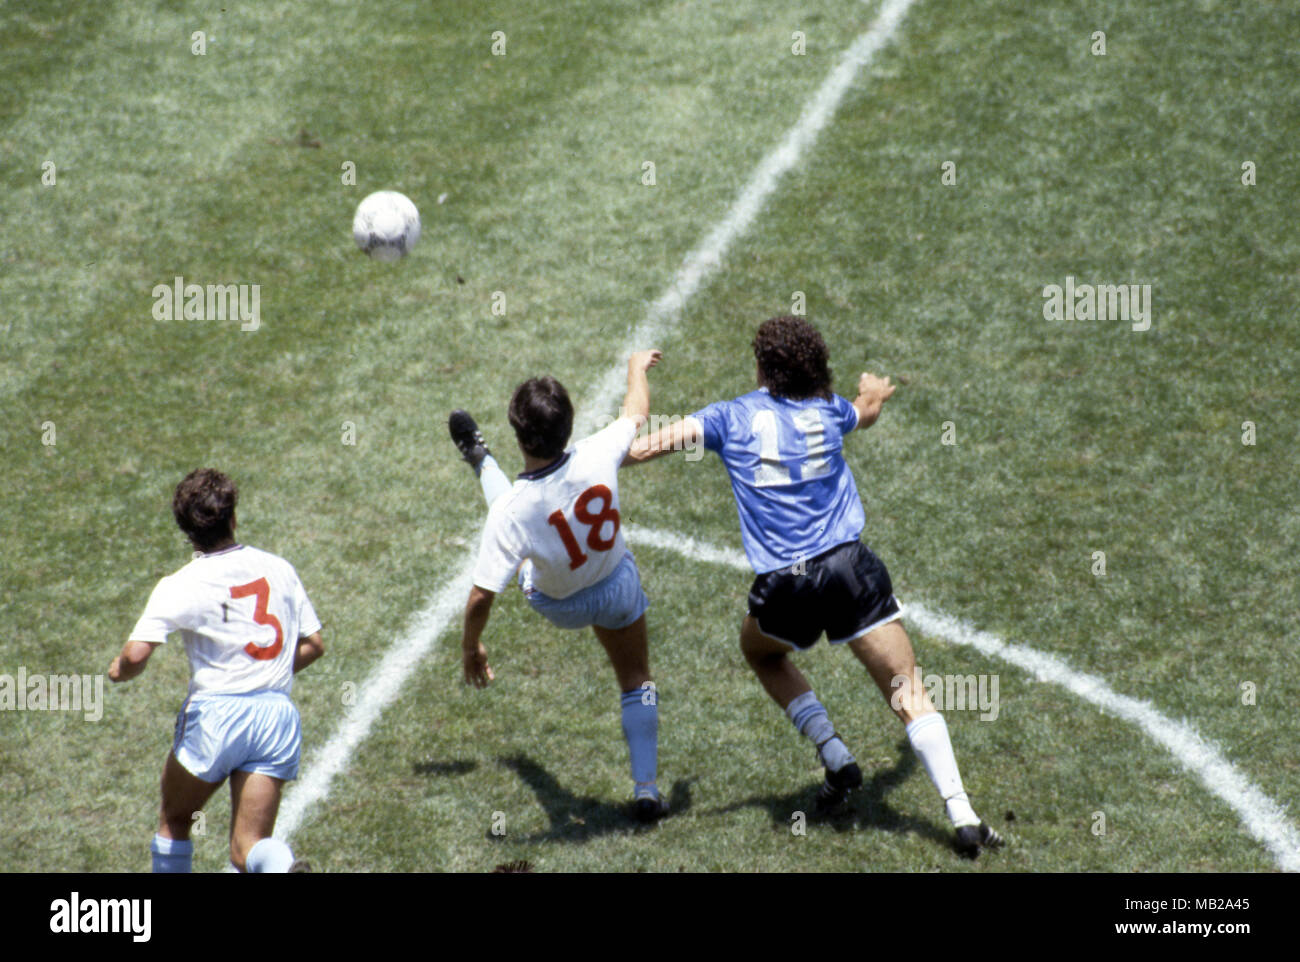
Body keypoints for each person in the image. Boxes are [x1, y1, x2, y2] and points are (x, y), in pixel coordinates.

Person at [625, 316, 1002, 856]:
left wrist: (637, 379)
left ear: (762, 368)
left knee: (760, 653)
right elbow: (865, 413)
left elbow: (636, 450)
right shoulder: (830, 410)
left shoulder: (728, 418)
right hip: (852, 569)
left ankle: (834, 751)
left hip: (788, 585)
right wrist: (872, 392)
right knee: (908, 691)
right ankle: (962, 815)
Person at [450, 349, 668, 822]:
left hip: (558, 604)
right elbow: (637, 411)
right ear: (569, 422)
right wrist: (634, 367)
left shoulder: (512, 512)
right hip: (616, 585)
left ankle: (481, 460)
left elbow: (481, 595)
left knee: (514, 532)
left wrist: (472, 648)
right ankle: (647, 789)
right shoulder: (600, 448)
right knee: (638, 682)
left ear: (517, 432)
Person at [109, 468, 325, 872]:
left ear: (186, 532)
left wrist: (118, 670)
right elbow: (314, 645)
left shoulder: (182, 583)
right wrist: (271, 671)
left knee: (175, 821)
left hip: (216, 719)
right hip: (275, 717)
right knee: (247, 849)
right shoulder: (279, 568)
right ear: (233, 516)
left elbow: (136, 656)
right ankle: (282, 868)